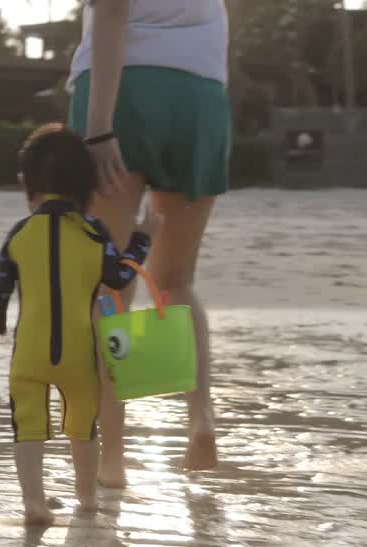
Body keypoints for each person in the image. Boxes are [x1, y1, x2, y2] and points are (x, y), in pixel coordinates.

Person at [67, 0, 232, 485]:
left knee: (110, 286)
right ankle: (200, 415)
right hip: (201, 96)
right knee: (176, 280)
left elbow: (113, 13)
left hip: (126, 91)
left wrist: (98, 127)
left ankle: (112, 458)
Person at [0, 124, 161, 525]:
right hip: (79, 356)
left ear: (25, 186)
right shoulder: (94, 233)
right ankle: (87, 500)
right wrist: (143, 238)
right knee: (82, 425)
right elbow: (119, 277)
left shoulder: (20, 233)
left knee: (27, 425)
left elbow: (0, 282)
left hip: (29, 353)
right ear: (90, 189)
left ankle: (33, 502)